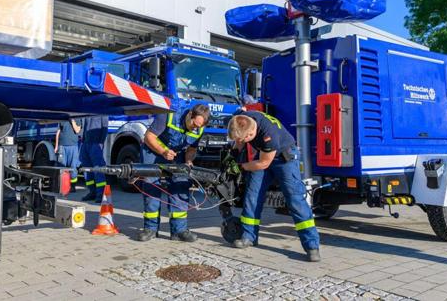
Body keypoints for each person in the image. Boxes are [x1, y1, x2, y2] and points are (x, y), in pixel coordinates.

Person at [227, 111, 321, 262]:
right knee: (252, 195)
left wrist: (240, 167)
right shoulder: (242, 118)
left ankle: (311, 246)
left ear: (252, 133)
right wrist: (234, 154)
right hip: (264, 153)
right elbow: (240, 115)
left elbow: (264, 163)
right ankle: (248, 237)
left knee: (295, 199)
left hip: (285, 157)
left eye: (244, 139)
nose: (242, 142)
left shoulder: (268, 135)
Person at [137, 104, 210, 242]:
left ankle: (179, 230)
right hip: (154, 151)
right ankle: (150, 229)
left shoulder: (199, 128)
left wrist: (188, 161)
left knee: (181, 186)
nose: (196, 128)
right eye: (194, 124)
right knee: (151, 186)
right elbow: (149, 137)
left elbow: (191, 149)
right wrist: (163, 152)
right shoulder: (168, 115)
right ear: (189, 114)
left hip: (176, 154)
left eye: (199, 126)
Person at [79, 116, 109, 203]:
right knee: (87, 169)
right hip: (86, 143)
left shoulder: (102, 110)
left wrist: (100, 143)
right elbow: (85, 126)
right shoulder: (89, 110)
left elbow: (105, 127)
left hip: (96, 143)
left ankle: (101, 194)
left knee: (98, 169)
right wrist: (83, 141)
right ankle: (92, 192)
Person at [55, 119, 81, 192]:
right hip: (62, 146)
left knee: (73, 167)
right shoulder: (62, 119)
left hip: (73, 146)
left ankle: (72, 186)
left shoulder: (77, 119)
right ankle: (63, 186)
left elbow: (77, 130)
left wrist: (72, 121)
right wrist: (56, 146)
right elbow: (58, 132)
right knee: (62, 167)